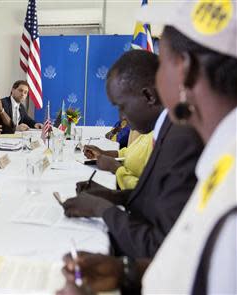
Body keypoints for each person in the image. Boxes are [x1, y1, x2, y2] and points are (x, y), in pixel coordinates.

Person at [58, 1, 237, 294]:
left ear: (184, 69)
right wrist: (126, 272)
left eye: (162, 63)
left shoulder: (226, 188)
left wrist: (106, 209)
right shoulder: (218, 155)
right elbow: (184, 254)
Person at [63, 50, 203, 259]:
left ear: (149, 96)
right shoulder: (167, 130)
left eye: (122, 106)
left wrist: (103, 209)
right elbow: (157, 198)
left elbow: (161, 246)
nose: (121, 117)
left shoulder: (181, 139)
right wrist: (113, 195)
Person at [84, 129, 153, 190]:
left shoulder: (159, 141)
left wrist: (115, 168)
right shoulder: (149, 134)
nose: (122, 117)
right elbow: (127, 152)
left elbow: (150, 193)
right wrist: (102, 152)